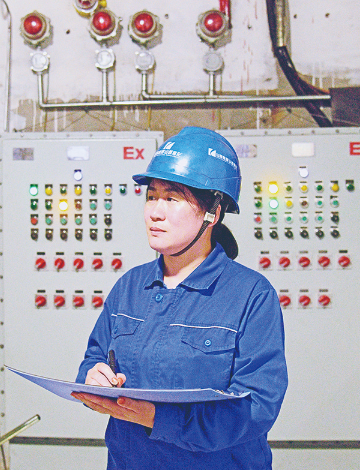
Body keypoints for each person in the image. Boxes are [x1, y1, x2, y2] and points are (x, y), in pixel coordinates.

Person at [72, 126, 288, 469]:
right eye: (151, 196)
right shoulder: (130, 286)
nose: (155, 212)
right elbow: (95, 357)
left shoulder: (251, 295)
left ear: (213, 212)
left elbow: (257, 408)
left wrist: (158, 418)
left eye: (172, 198)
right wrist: (92, 377)